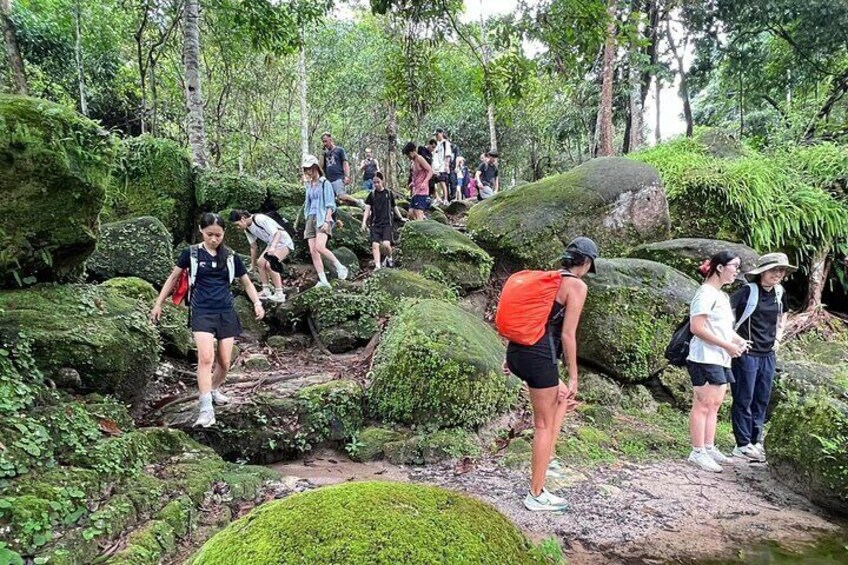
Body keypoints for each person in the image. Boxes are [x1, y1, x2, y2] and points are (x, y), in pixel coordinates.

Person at [504, 237, 599, 512]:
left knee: (559, 401)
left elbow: (528, 319)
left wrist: (508, 359)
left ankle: (545, 463)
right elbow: (568, 336)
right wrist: (573, 377)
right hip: (539, 357)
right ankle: (535, 494)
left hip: (517, 352)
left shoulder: (547, 280)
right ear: (586, 263)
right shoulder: (576, 286)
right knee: (543, 424)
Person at [151, 213, 264, 428]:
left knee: (224, 362)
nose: (214, 239)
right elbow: (173, 277)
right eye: (210, 234)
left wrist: (257, 302)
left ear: (224, 234)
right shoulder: (191, 254)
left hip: (225, 310)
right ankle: (205, 409)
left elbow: (246, 283)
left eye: (218, 235)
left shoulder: (230, 256)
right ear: (202, 231)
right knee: (205, 358)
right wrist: (158, 303)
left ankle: (212, 389)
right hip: (201, 310)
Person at [686, 251, 750, 473]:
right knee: (703, 403)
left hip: (720, 358)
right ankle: (697, 451)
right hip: (704, 357)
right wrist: (727, 346)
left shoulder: (721, 296)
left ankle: (709, 446)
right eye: (735, 266)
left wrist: (738, 341)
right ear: (720, 268)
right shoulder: (704, 293)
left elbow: (723, 329)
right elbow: (697, 327)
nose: (737, 272)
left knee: (715, 404)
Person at [729, 253, 794, 462]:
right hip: (747, 353)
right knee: (744, 397)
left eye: (781, 270)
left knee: (762, 398)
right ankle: (742, 443)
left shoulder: (779, 292)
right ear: (762, 272)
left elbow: (783, 314)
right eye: (774, 270)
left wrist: (778, 337)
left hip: (768, 353)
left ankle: (755, 441)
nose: (778, 274)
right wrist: (735, 339)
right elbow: (726, 314)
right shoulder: (748, 291)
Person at [302, 154, 349, 288]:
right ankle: (324, 281)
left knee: (320, 246)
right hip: (311, 217)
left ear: (316, 167)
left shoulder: (325, 183)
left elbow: (330, 204)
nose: (308, 171)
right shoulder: (309, 185)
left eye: (310, 168)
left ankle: (340, 267)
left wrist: (327, 221)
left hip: (322, 217)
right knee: (313, 251)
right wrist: (307, 218)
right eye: (306, 169)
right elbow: (308, 203)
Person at [228, 210, 294, 303]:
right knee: (260, 263)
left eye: (237, 225)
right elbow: (253, 247)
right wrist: (253, 265)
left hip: (283, 242)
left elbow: (277, 233)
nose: (238, 228)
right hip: (272, 244)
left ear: (243, 219)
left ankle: (280, 294)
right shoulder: (247, 229)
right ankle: (266, 291)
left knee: (270, 264)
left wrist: (273, 247)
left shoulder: (259, 219)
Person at [361, 172, 404, 269]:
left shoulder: (388, 193)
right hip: (375, 224)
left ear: (382, 181)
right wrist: (364, 222)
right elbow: (367, 209)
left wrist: (401, 217)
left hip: (386, 224)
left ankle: (389, 257)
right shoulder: (371, 195)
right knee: (375, 245)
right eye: (374, 183)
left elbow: (394, 206)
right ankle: (378, 266)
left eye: (378, 182)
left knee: (386, 244)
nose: (376, 184)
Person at [320, 132, 364, 209]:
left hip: (338, 178)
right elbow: (320, 166)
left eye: (326, 141)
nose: (325, 143)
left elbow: (345, 163)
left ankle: (358, 202)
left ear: (330, 139)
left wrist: (347, 176)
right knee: (330, 201)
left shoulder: (339, 150)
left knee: (341, 195)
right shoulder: (325, 154)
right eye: (323, 142)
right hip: (329, 180)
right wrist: (322, 153)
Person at [404, 141, 433, 221]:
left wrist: (425, 182)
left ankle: (422, 227)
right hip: (415, 191)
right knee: (410, 213)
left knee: (418, 212)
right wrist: (412, 183)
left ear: (413, 151)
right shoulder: (412, 162)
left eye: (408, 154)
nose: (408, 156)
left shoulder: (420, 158)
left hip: (422, 191)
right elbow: (415, 176)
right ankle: (423, 222)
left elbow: (430, 171)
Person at [432, 128, 453, 204]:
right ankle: (437, 198)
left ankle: (445, 199)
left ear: (441, 133)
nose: (436, 136)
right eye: (435, 135)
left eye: (437, 134)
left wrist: (446, 165)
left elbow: (448, 155)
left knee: (442, 182)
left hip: (442, 166)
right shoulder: (436, 144)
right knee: (434, 183)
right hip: (435, 167)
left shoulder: (445, 143)